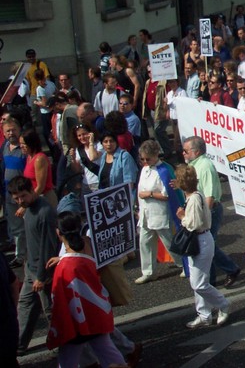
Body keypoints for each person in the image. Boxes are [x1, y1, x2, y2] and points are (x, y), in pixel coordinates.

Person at [46, 211, 127, 367]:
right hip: (96, 313)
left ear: (58, 232)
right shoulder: (88, 247)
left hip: (76, 323)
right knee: (109, 354)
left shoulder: (63, 267)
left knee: (67, 361)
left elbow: (61, 299)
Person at [175, 165, 231, 329]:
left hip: (200, 239)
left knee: (198, 283)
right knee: (197, 279)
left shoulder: (193, 199)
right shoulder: (196, 194)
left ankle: (223, 303)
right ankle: (204, 314)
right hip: (199, 240)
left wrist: (182, 217)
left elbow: (194, 224)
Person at [182, 136, 241, 288]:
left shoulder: (205, 166)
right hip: (204, 210)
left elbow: (210, 195)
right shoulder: (195, 165)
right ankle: (220, 274)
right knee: (208, 245)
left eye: (186, 151)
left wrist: (203, 217)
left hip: (210, 211)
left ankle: (224, 273)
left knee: (207, 245)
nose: (183, 153)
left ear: (196, 151)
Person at [10, 176, 59, 355]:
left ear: (32, 191)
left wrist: (42, 276)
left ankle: (64, 341)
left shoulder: (44, 213)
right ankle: (18, 345)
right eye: (16, 199)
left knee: (50, 311)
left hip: (42, 272)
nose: (20, 201)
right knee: (25, 307)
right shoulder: (29, 209)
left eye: (23, 196)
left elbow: (48, 246)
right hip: (32, 268)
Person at [134, 140, 186, 284]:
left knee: (169, 242)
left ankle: (184, 264)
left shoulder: (164, 170)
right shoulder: (145, 169)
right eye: (142, 159)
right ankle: (148, 271)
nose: (145, 161)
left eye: (148, 158)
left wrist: (149, 194)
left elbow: (169, 194)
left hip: (160, 214)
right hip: (145, 214)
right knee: (144, 242)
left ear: (156, 155)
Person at [2, 118, 27, 268]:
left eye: (13, 130)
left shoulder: (23, 149)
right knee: (14, 226)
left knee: (23, 227)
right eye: (8, 131)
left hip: (22, 195)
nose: (11, 133)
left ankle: (22, 256)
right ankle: (19, 252)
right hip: (8, 194)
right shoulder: (5, 147)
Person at [19, 129, 56, 208]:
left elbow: (40, 186)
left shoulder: (39, 159)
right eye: (20, 143)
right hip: (34, 197)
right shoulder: (29, 157)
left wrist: (26, 204)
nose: (21, 146)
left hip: (44, 198)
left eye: (23, 143)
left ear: (31, 143)